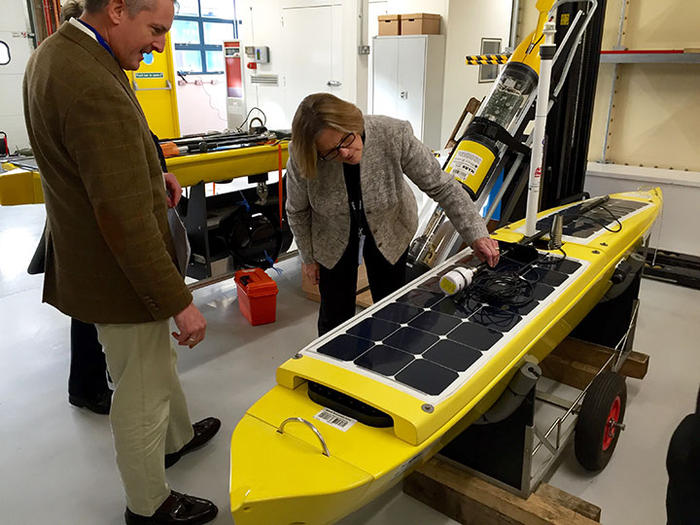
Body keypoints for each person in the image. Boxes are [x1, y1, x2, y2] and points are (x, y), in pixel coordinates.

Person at [23, 0, 219, 523]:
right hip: (118, 272)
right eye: (155, 29)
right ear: (115, 10)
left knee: (156, 366)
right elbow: (125, 218)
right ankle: (149, 505)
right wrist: (181, 303)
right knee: (141, 389)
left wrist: (154, 170)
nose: (159, 45)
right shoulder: (90, 84)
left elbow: (103, 155)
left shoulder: (62, 53)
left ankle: (174, 440)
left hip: (96, 255)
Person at [286, 93, 500, 336]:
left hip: (391, 227)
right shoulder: (302, 154)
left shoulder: (392, 133)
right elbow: (297, 210)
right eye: (331, 152)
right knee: (334, 315)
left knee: (392, 307)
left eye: (347, 139)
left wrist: (477, 234)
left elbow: (443, 186)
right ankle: (334, 364)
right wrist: (308, 257)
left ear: (354, 123)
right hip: (331, 237)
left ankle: (388, 361)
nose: (344, 153)